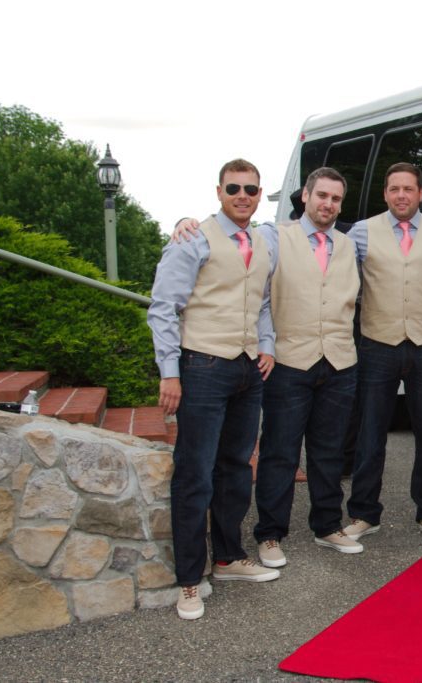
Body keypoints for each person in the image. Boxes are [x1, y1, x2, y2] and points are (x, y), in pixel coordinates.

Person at [173, 167, 362, 564]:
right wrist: (183, 223)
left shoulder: (350, 244)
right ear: (305, 197)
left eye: (335, 198)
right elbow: (231, 238)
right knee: (280, 451)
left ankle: (328, 525)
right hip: (289, 360)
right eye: (321, 195)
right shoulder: (274, 237)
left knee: (329, 452)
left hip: (340, 361)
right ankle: (270, 534)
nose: (328, 204)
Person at [148, 158, 280, 622]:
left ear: (260, 193)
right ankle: (188, 580)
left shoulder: (263, 240)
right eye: (234, 188)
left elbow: (263, 302)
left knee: (236, 467)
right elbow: (163, 308)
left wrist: (268, 345)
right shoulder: (194, 238)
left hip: (248, 370)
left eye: (251, 189)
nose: (242, 195)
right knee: (194, 474)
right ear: (219, 191)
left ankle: (227, 558)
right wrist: (169, 372)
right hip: (201, 365)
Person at [341, 163, 422, 544]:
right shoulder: (361, 232)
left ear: (420, 193)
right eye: (394, 189)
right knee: (370, 432)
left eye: (408, 189)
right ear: (385, 194)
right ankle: (364, 513)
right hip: (377, 345)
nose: (401, 195)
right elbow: (321, 249)